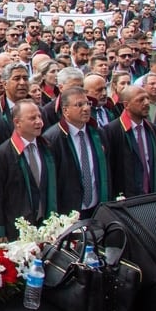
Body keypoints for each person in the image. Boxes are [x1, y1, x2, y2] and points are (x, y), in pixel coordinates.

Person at [0, 100, 58, 241]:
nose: (39, 122)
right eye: (32, 118)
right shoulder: (2, 155)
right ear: (17, 122)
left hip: (44, 226)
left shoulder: (46, 148)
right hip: (16, 230)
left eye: (39, 117)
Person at [42, 87, 110, 219]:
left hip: (97, 207)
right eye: (79, 105)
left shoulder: (97, 133)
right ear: (65, 110)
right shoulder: (52, 139)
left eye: (87, 104)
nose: (86, 108)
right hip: (69, 211)